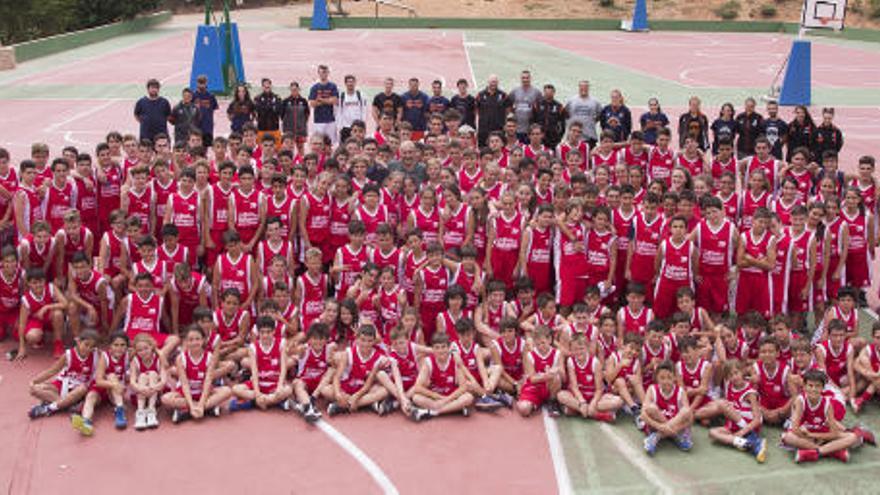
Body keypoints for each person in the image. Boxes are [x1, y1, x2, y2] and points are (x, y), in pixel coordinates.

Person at [782, 369, 859, 463]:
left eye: (817, 386)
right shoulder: (800, 401)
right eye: (810, 385)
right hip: (804, 433)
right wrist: (808, 436)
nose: (813, 389)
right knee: (788, 437)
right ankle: (832, 452)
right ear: (804, 387)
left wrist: (813, 435)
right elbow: (795, 428)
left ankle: (814, 452)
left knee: (852, 437)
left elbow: (834, 432)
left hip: (819, 432)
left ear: (823, 388)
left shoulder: (827, 403)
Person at [162, 325, 232, 423]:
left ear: (203, 340)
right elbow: (184, 384)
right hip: (185, 394)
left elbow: (208, 381)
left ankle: (187, 410)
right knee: (165, 399)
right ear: (185, 342)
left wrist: (201, 404)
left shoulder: (209, 357)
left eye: (197, 339)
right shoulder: (180, 358)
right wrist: (192, 405)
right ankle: (205, 408)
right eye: (190, 340)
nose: (194, 342)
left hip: (204, 392)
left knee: (227, 391)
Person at [27, 330, 99, 420]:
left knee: (83, 389)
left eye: (92, 347)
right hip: (62, 384)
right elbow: (52, 371)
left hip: (79, 389)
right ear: (78, 341)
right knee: (34, 389)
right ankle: (68, 405)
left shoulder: (97, 355)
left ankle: (48, 408)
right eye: (86, 344)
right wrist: (34, 381)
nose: (88, 349)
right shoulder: (68, 355)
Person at [72, 332, 131, 435]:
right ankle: (86, 422)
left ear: (127, 347)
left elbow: (148, 346)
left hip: (115, 393)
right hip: (102, 387)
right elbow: (99, 381)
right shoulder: (105, 356)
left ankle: (120, 412)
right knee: (91, 397)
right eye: (116, 345)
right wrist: (114, 384)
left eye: (122, 345)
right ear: (110, 347)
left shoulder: (128, 355)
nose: (119, 348)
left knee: (113, 377)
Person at [409, 332, 475, 420]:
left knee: (468, 397)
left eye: (443, 347)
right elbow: (417, 387)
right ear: (433, 349)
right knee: (416, 398)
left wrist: (446, 400)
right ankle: (455, 408)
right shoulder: (428, 362)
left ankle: (433, 412)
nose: (440, 351)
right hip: (436, 397)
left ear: (448, 348)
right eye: (437, 347)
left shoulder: (455, 360)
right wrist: (438, 397)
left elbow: (463, 387)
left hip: (451, 396)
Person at [641, 360, 694, 456]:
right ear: (657, 378)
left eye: (669, 377)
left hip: (675, 424)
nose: (666, 381)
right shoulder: (652, 389)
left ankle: (657, 437)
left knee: (686, 411)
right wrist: (659, 426)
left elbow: (690, 418)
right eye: (662, 378)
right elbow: (643, 415)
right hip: (657, 424)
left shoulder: (681, 392)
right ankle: (676, 436)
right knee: (651, 408)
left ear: (674, 377)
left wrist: (675, 428)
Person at [564, 80, 602, 148]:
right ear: (579, 88)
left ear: (588, 88)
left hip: (589, 136)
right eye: (582, 87)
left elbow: (600, 115)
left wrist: (592, 121)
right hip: (573, 137)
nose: (583, 89)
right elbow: (565, 113)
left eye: (585, 87)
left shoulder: (595, 102)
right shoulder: (571, 100)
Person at [475, 75, 510, 147]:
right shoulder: (480, 95)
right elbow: (476, 110)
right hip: (483, 130)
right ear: (488, 82)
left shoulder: (503, 95)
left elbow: (508, 110)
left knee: (498, 148)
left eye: (495, 82)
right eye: (492, 82)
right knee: (483, 149)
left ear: (498, 83)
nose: (493, 84)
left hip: (498, 129)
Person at [309, 65, 340, 144]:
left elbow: (335, 100)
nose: (323, 74)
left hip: (330, 119)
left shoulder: (333, 86)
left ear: (328, 73)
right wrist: (327, 100)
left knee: (330, 142)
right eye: (322, 72)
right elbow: (312, 103)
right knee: (319, 142)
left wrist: (321, 100)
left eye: (325, 72)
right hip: (318, 120)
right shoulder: (314, 87)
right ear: (318, 73)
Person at [509, 70, 542, 143]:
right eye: (523, 78)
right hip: (517, 128)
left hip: (530, 129)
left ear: (530, 79)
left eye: (527, 78)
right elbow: (508, 104)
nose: (525, 80)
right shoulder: (515, 91)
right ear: (520, 79)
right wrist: (512, 112)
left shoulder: (537, 92)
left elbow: (540, 108)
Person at [531, 84, 565, 149]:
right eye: (546, 92)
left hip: (553, 138)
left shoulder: (559, 107)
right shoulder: (536, 105)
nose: (548, 94)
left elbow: (562, 124)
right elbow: (532, 121)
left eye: (550, 92)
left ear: (554, 93)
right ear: (544, 92)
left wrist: (559, 137)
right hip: (539, 137)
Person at [281, 82, 310, 154]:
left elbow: (307, 114)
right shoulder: (285, 101)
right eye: (292, 90)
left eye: (296, 89)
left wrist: (302, 124)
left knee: (300, 148)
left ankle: (301, 162)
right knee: (288, 148)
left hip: (300, 130)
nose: (294, 91)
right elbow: (282, 115)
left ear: (299, 89)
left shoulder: (303, 101)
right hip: (289, 130)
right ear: (290, 90)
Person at [338, 75, 367, 142]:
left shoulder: (360, 95)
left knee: (359, 145)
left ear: (355, 83)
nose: (350, 84)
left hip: (358, 127)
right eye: (348, 82)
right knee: (345, 147)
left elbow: (364, 110)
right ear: (345, 83)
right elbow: (339, 111)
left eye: (352, 82)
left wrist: (363, 123)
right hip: (346, 127)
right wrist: (340, 126)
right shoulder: (341, 96)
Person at [192, 75, 218, 146]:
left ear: (206, 83)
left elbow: (214, 108)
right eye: (200, 82)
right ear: (197, 83)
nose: (201, 85)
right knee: (196, 147)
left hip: (207, 127)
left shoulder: (210, 96)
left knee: (208, 148)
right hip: (197, 127)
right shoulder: (193, 96)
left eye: (203, 82)